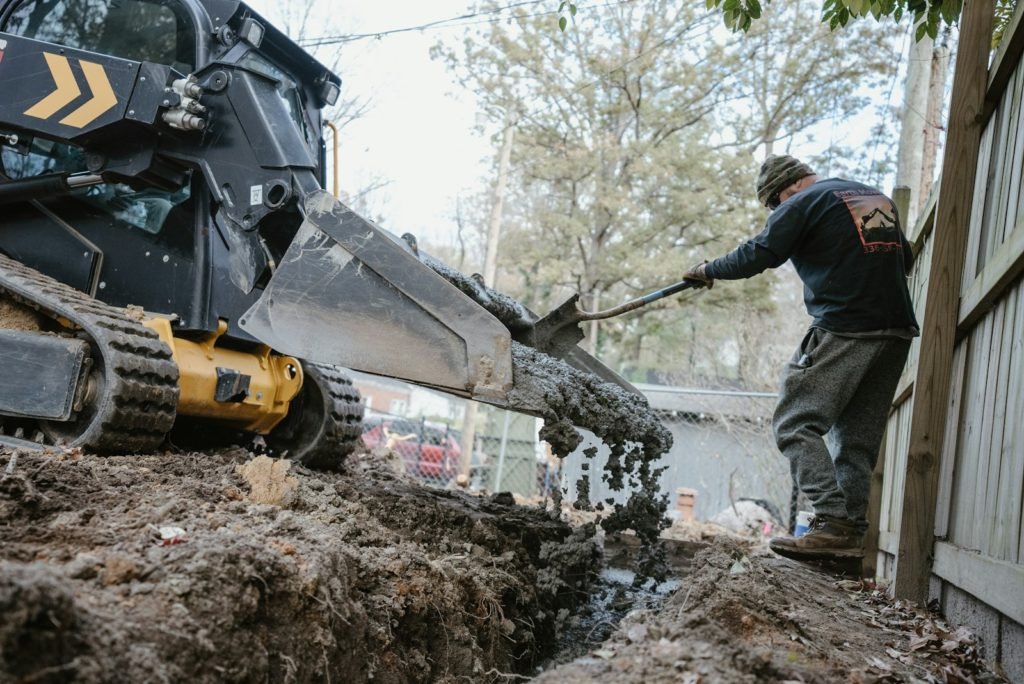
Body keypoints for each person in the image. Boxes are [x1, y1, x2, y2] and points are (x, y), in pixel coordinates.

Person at [684, 154, 919, 561]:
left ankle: (831, 519)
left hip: (846, 326)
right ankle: (846, 540)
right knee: (855, 442)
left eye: (774, 206)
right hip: (896, 331)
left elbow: (758, 253)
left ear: (785, 190)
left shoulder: (801, 202)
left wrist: (708, 269)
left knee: (795, 422)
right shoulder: (871, 197)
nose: (778, 212)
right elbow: (907, 257)